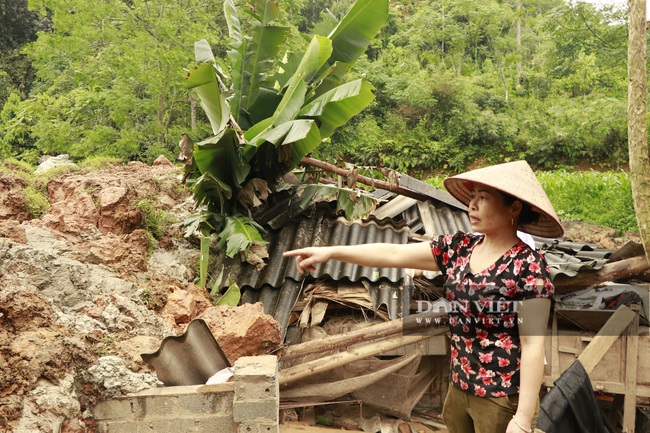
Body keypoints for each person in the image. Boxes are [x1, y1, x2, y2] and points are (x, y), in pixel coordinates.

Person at [283, 160, 564, 433]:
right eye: (473, 196)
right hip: (459, 389)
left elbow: (532, 346)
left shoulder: (529, 267)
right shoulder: (460, 248)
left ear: (513, 207)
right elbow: (393, 254)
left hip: (501, 399)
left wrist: (523, 419)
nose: (473, 205)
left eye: (484, 197)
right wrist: (331, 252)